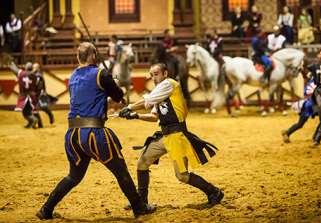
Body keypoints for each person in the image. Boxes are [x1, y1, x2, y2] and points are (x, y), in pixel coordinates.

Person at [35, 42, 156, 220]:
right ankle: (139, 208)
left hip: (72, 136)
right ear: (94, 57)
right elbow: (118, 97)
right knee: (121, 171)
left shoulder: (74, 76)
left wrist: (109, 89)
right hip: (94, 134)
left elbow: (94, 103)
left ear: (78, 58)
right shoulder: (101, 73)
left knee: (73, 177)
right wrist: (114, 84)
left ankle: (46, 209)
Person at [118, 63, 223, 209]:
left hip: (177, 136)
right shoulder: (159, 91)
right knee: (142, 162)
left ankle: (214, 192)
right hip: (165, 136)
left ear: (165, 74)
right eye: (151, 75)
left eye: (156, 74)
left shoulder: (168, 84)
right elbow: (155, 116)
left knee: (182, 176)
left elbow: (146, 101)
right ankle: (141, 202)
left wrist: (129, 107)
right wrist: (136, 115)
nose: (154, 78)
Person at [282, 78, 316, 143]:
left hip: (309, 104)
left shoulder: (313, 81)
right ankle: (287, 132)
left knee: (300, 124)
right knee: (300, 124)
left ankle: (287, 132)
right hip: (309, 105)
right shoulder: (315, 81)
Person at [10, 62, 39, 128]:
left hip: (23, 97)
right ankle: (30, 124)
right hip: (32, 97)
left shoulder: (21, 73)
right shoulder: (35, 76)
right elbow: (38, 87)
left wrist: (12, 63)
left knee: (25, 113)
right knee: (29, 110)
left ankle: (33, 119)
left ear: (26, 67)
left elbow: (14, 69)